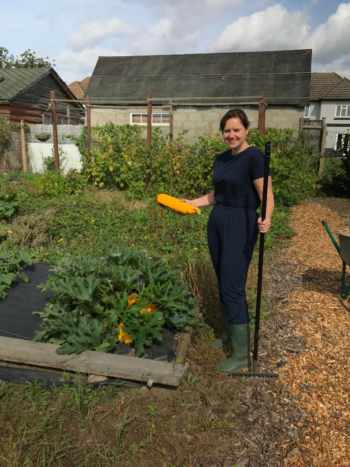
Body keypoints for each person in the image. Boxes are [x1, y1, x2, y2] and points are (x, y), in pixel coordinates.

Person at [182, 109, 274, 373]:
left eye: (236, 129)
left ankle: (242, 356)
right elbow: (217, 195)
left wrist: (266, 218)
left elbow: (266, 193)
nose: (231, 135)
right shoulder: (221, 159)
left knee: (233, 286)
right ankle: (227, 335)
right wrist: (192, 202)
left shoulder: (254, 156)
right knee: (223, 281)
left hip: (241, 224)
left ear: (246, 130)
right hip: (218, 221)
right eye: (227, 130)